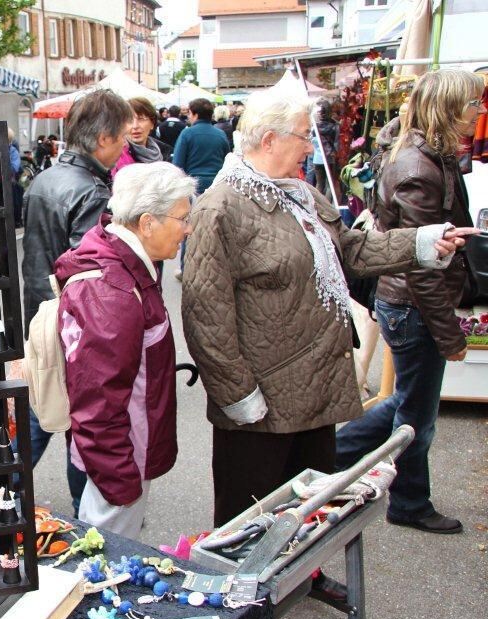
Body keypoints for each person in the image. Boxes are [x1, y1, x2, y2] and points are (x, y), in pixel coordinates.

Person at [181, 88, 471, 530]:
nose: (309, 147)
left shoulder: (299, 193)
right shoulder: (220, 208)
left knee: (308, 509)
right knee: (251, 516)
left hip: (315, 387)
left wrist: (422, 241)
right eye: (303, 136)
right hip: (263, 400)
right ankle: (251, 576)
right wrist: (238, 395)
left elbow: (350, 249)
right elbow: (206, 315)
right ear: (270, 140)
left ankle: (306, 566)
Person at [335, 69, 485, 534]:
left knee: (408, 402)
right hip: (412, 305)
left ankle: (327, 455)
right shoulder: (419, 167)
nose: (480, 111)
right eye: (474, 103)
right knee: (416, 416)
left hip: (409, 303)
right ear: (450, 108)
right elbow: (419, 264)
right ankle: (409, 503)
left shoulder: (428, 154)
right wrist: (450, 336)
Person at [55, 162, 193, 536]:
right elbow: (97, 405)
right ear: (147, 223)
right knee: (107, 551)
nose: (188, 228)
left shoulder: (126, 267)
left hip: (125, 453)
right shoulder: (113, 291)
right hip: (120, 459)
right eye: (182, 218)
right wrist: (120, 482)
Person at [22, 89, 133, 514]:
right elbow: (88, 273)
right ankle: (75, 504)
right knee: (67, 416)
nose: (124, 146)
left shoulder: (45, 179)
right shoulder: (91, 192)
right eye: (121, 137)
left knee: (46, 406)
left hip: (39, 308)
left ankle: (2, 494)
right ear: (103, 138)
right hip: (70, 319)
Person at [173, 98, 231, 279]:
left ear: (194, 114)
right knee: (215, 231)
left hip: (193, 188)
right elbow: (228, 161)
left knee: (188, 229)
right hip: (217, 187)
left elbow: (178, 164)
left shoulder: (187, 134)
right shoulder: (220, 135)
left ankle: (186, 269)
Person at [112, 97, 172, 177]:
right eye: (129, 120)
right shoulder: (115, 156)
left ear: (152, 123)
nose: (135, 126)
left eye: (141, 119)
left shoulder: (164, 152)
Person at [311, 100, 339, 201]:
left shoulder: (314, 127)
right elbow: (336, 144)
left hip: (317, 158)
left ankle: (317, 205)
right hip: (329, 158)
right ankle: (327, 206)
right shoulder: (334, 126)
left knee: (319, 184)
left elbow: (311, 141)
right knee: (329, 185)